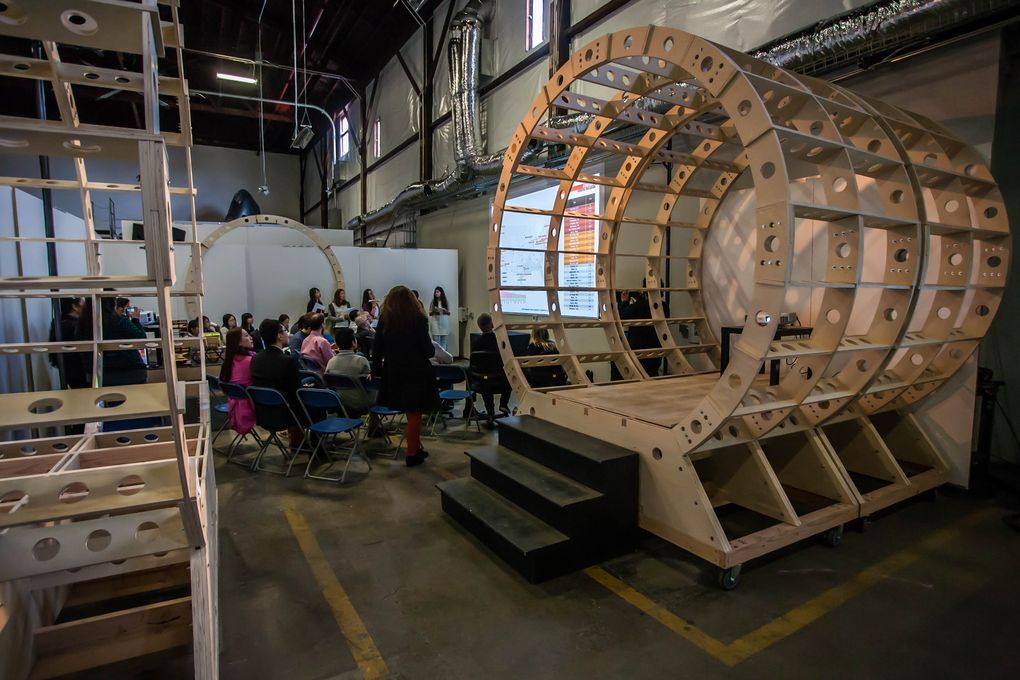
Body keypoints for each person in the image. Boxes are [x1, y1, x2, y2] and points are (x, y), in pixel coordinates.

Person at [371, 285, 438, 467]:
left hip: (394, 371)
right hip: (416, 371)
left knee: (411, 413)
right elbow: (428, 350)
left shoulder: (385, 320)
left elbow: (377, 348)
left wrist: (375, 370)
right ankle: (411, 453)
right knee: (415, 413)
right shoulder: (418, 319)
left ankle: (415, 447)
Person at [250, 318, 304, 450]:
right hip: (285, 415)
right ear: (279, 336)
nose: (288, 334)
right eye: (285, 331)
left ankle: (299, 444)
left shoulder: (255, 358)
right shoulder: (287, 361)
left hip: (262, 413)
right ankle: (311, 447)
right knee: (314, 407)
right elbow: (297, 391)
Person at [99, 297, 148, 387]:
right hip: (130, 369)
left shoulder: (91, 323)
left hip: (104, 371)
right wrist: (135, 319)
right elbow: (141, 339)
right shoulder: (120, 320)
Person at [470, 313, 511, 420]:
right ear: (492, 324)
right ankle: (503, 404)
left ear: (479, 326)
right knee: (511, 375)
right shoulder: (500, 341)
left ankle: (489, 411)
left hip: (480, 381)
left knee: (484, 381)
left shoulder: (476, 343)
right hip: (499, 380)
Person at [326, 327, 374, 412]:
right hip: (360, 401)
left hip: (338, 400)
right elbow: (369, 383)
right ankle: (373, 418)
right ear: (353, 343)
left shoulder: (331, 361)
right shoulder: (361, 361)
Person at [219, 327, 256, 435]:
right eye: (246, 335)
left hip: (233, 404)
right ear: (239, 342)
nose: (251, 337)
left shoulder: (229, 360)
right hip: (251, 406)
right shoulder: (251, 361)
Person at [49, 296, 89, 390]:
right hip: (78, 369)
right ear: (75, 307)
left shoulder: (58, 323)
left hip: (68, 369)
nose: (85, 305)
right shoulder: (75, 325)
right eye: (82, 301)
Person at [428, 286, 451, 351]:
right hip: (435, 322)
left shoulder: (445, 301)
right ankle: (437, 355)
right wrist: (434, 311)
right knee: (435, 340)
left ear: (441, 292)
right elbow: (430, 313)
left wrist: (444, 310)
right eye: (435, 292)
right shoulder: (433, 301)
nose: (436, 293)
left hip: (444, 322)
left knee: (443, 340)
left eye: (437, 292)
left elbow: (449, 313)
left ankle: (443, 355)